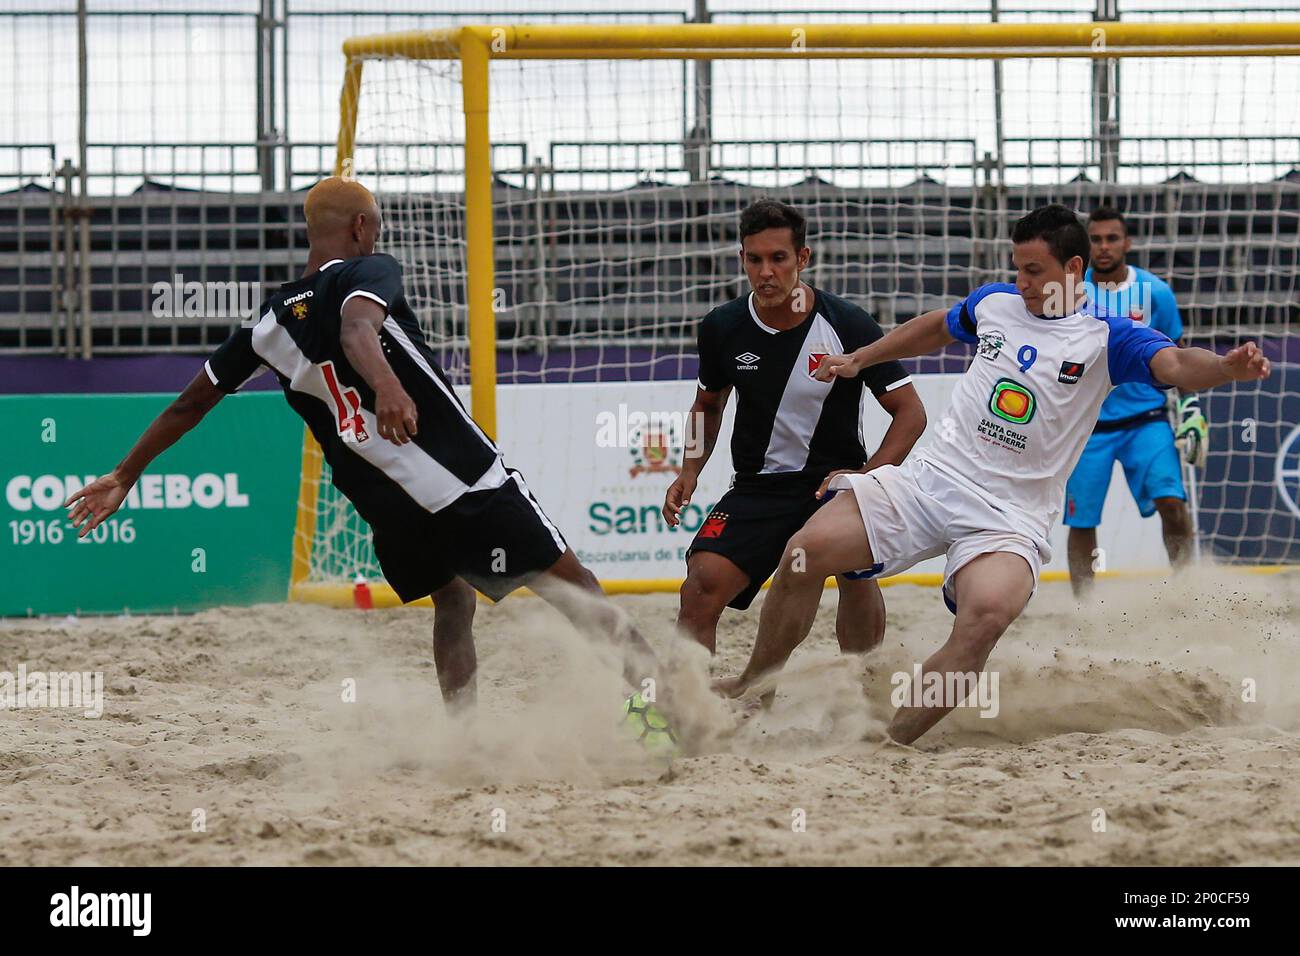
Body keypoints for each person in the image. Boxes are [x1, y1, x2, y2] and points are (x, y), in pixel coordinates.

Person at [64, 176, 667, 720]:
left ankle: (464, 738)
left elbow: (189, 405)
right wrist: (387, 388)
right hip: (461, 479)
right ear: (361, 228)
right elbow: (357, 328)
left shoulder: (267, 325)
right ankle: (661, 722)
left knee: (453, 601)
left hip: (389, 509)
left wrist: (125, 473)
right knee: (576, 587)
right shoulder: (367, 271)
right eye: (373, 223)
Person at [717, 203, 1270, 744]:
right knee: (803, 552)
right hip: (933, 480)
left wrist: (1225, 368)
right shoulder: (996, 304)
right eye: (1017, 269)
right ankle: (753, 686)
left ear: (1072, 269)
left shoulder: (1108, 337)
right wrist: (864, 357)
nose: (1021, 281)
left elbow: (1174, 365)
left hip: (1011, 517)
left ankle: (887, 743)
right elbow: (937, 327)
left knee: (983, 620)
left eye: (1034, 271)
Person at [663, 198, 926, 656]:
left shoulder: (847, 323)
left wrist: (867, 479)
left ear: (802, 259)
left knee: (855, 577)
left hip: (834, 487)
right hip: (758, 489)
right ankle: (692, 714)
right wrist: (689, 470)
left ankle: (860, 690)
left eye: (778, 258)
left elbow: (911, 413)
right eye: (755, 259)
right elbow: (707, 404)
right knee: (700, 589)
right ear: (741, 258)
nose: (766, 271)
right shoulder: (722, 327)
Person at [1065, 205, 1201, 595]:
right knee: (1082, 521)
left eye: (1112, 238)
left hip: (1148, 419)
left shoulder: (1156, 292)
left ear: (1127, 242)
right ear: (1086, 244)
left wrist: (1190, 408)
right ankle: (1084, 607)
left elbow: (1178, 353)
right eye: (1096, 239)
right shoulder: (1068, 292)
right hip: (1087, 428)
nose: (1104, 247)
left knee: (1172, 504)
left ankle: (1188, 591)